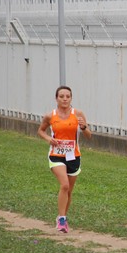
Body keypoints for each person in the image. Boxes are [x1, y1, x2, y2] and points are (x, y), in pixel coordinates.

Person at [37, 86, 91, 233]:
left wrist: (84, 127)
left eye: (68, 96)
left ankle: (63, 217)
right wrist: (49, 138)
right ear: (56, 98)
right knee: (65, 185)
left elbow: (89, 135)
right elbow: (41, 130)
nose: (65, 99)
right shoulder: (50, 116)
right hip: (56, 155)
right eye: (61, 96)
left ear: (71, 98)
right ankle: (61, 220)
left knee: (69, 191)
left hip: (73, 156)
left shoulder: (78, 114)